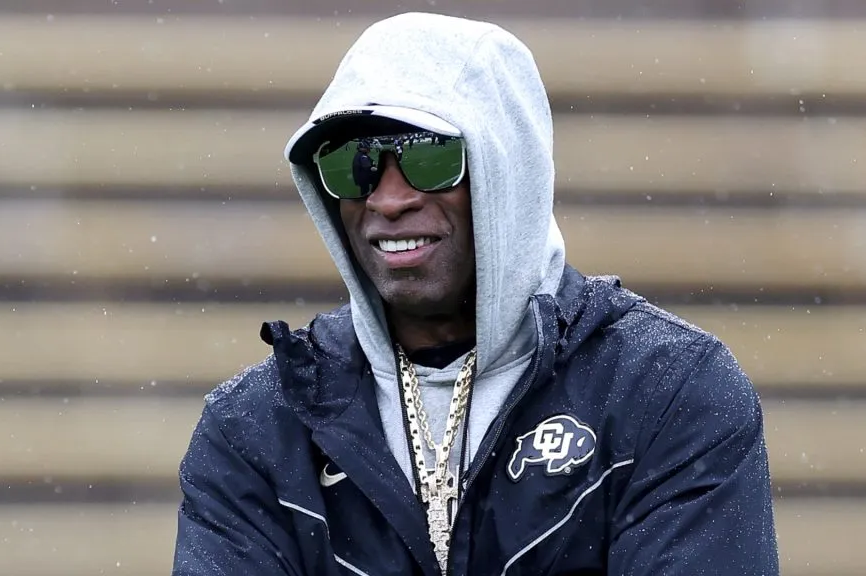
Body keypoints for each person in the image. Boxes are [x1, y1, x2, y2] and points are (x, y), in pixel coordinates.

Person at [173, 12, 779, 576]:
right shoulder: (255, 426)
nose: (388, 199)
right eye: (354, 165)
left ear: (506, 169)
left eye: (430, 158)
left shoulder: (668, 389)